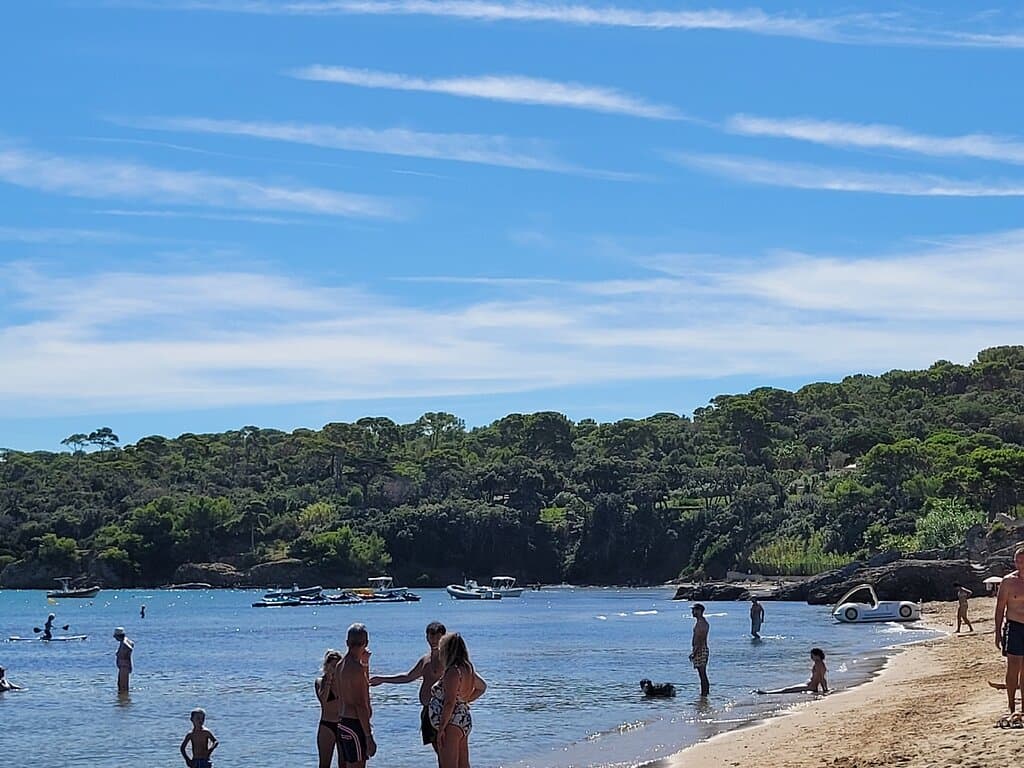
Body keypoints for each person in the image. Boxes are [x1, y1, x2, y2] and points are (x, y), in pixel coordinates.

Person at [370, 621, 447, 753]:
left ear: (444, 637)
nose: (434, 640)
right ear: (426, 637)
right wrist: (382, 679)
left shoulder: (447, 659)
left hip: (441, 710)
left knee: (445, 751)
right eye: (431, 636)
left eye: (437, 636)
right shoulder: (425, 659)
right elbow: (408, 677)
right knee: (438, 751)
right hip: (427, 710)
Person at [428, 633, 487, 768]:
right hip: (462, 719)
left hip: (451, 722)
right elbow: (482, 687)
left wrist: (441, 729)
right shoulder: (467, 668)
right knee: (463, 765)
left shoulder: (453, 672)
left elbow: (449, 703)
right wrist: (465, 700)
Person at [327, 623, 376, 768]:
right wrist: (368, 736)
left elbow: (361, 685)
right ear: (366, 643)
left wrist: (366, 664)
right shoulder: (355, 669)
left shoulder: (341, 665)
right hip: (355, 724)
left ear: (347, 642)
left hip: (343, 722)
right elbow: (360, 704)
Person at [995, 548, 1024, 720]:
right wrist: (997, 632)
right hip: (1014, 627)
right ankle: (1012, 705)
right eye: (1017, 561)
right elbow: (1000, 609)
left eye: (1023, 561)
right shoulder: (1008, 582)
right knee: (1013, 667)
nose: (1020, 565)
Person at [757, 648, 829, 695]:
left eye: (812, 656)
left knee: (786, 690)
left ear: (817, 655)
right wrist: (825, 689)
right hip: (810, 685)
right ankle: (767, 692)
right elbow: (822, 678)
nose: (811, 657)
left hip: (810, 686)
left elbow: (821, 678)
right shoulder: (820, 663)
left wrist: (824, 690)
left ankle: (767, 693)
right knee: (787, 689)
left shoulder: (818, 664)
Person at [316, 649, 344, 768]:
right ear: (326, 666)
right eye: (332, 666)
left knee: (344, 764)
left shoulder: (343, 682)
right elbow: (324, 700)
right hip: (327, 725)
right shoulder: (320, 682)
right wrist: (329, 680)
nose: (335, 669)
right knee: (324, 764)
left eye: (337, 666)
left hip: (343, 724)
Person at [689, 603, 710, 696]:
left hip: (700, 649)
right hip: (700, 649)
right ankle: (704, 695)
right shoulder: (701, 622)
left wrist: (694, 652)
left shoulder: (701, 623)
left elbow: (700, 639)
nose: (692, 612)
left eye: (694, 610)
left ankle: (704, 694)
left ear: (699, 611)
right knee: (702, 674)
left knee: (702, 674)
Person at [113, 627, 134, 692]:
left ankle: (124, 700)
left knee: (123, 686)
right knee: (120, 684)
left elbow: (130, 648)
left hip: (124, 666)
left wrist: (125, 653)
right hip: (123, 665)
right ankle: (124, 699)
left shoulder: (124, 642)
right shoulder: (125, 640)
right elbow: (132, 644)